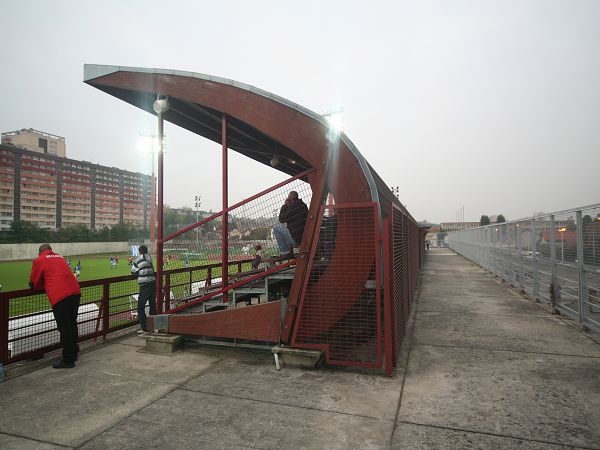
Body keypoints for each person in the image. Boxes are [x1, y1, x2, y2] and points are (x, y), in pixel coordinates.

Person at [29, 244, 81, 369]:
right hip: (75, 292)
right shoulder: (60, 257)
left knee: (64, 327)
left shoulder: (39, 260)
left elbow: (33, 283)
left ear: (40, 252)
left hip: (60, 295)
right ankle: (74, 352)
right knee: (72, 323)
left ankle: (68, 360)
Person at [274, 191, 308, 258]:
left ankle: (287, 252)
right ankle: (289, 251)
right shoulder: (303, 205)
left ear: (290, 198)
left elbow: (281, 219)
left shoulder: (293, 207)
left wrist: (285, 205)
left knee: (277, 228)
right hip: (303, 234)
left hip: (297, 238)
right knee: (284, 227)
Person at [131, 245, 157, 333]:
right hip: (153, 284)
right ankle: (154, 326)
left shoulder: (138, 260)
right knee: (152, 305)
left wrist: (139, 274)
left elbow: (133, 272)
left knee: (140, 307)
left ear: (139, 251)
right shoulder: (150, 258)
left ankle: (145, 327)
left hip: (145, 286)